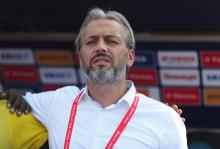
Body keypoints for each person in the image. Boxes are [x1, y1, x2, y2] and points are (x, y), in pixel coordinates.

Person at [0, 8, 188, 149]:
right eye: (91, 41)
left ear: (130, 57)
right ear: (81, 57)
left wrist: (168, 116)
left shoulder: (165, 119)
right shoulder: (56, 101)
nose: (101, 47)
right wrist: (10, 95)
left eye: (111, 41)